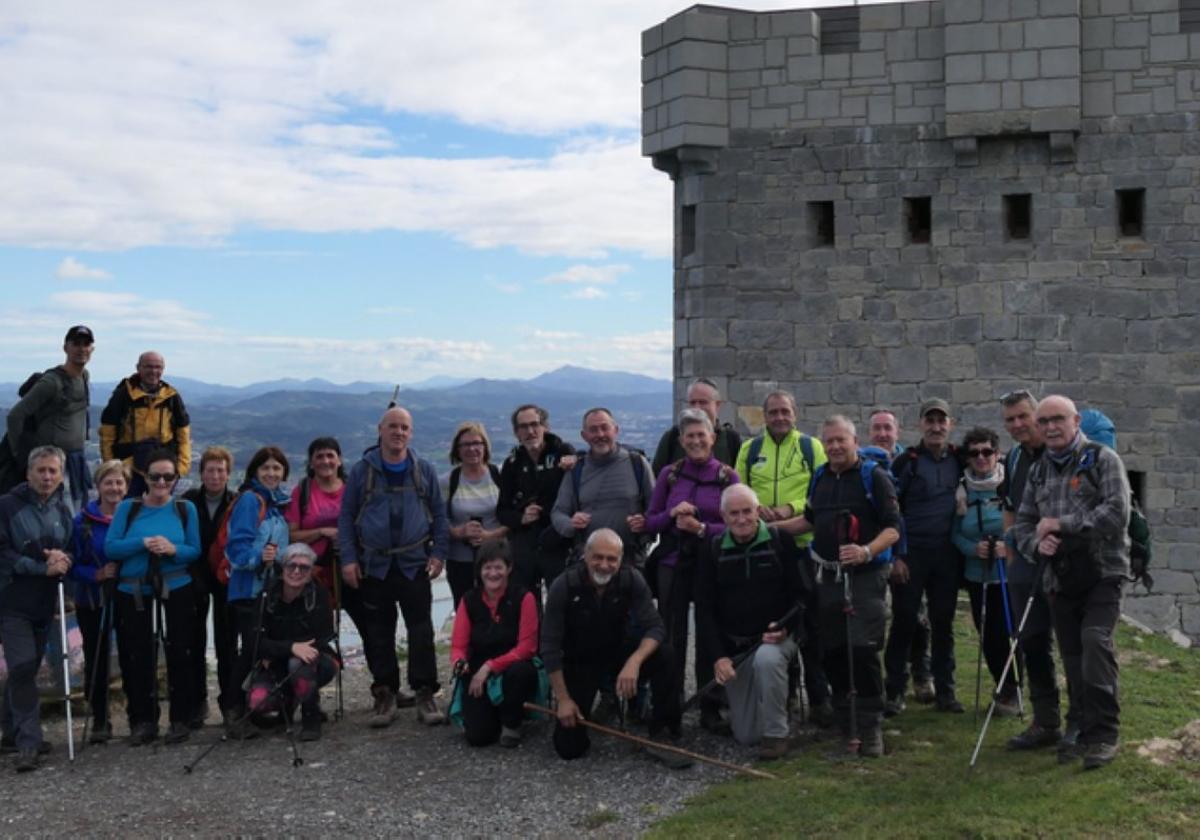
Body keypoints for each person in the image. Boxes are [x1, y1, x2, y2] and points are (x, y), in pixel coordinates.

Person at [1012, 395, 1131, 771]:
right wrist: (1037, 542)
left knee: (1095, 643)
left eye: (1058, 419)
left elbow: (1116, 513)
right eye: (1044, 421)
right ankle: (1077, 727)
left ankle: (1104, 733)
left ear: (1075, 420)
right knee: (1073, 656)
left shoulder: (1102, 459)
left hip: (1104, 572)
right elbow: (1024, 523)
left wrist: (1063, 526)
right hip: (1059, 578)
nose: (1050, 427)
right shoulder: (1039, 470)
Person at [781, 416, 901, 757]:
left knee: (862, 650)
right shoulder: (820, 476)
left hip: (866, 577)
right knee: (832, 649)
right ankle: (846, 723)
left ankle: (870, 726)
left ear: (854, 440)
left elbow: (894, 528)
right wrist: (771, 529)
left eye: (840, 440)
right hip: (827, 576)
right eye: (829, 441)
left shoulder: (873, 478)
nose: (834, 447)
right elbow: (809, 519)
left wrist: (866, 551)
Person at [338, 407, 449, 728]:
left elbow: (439, 516)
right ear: (380, 430)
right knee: (379, 632)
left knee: (421, 629)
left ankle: (425, 691)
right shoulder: (362, 471)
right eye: (393, 427)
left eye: (404, 428)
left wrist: (438, 553)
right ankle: (385, 692)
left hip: (414, 563)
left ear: (410, 433)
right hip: (375, 564)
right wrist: (348, 558)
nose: (398, 432)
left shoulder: (423, 469)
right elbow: (346, 517)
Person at [541, 528, 687, 767]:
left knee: (665, 654)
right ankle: (585, 714)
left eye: (611, 559)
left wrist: (635, 662)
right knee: (568, 749)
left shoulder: (632, 579)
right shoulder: (564, 585)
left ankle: (664, 727)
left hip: (619, 652)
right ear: (585, 556)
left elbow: (656, 628)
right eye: (598, 557)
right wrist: (563, 699)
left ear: (620, 560)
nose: (604, 565)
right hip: (581, 661)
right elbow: (549, 646)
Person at [734, 390, 831, 726]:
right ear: (764, 416)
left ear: (795, 414)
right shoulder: (750, 450)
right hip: (766, 548)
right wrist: (757, 511)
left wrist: (790, 509)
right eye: (773, 412)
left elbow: (821, 491)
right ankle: (787, 695)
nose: (778, 417)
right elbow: (738, 493)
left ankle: (819, 696)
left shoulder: (810, 447)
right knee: (778, 621)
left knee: (812, 624)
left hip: (804, 547)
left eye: (784, 411)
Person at [696, 485, 809, 759]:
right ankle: (770, 709)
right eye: (734, 513)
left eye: (747, 511)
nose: (741, 519)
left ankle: (776, 734)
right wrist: (719, 657)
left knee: (768, 661)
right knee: (746, 736)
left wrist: (785, 628)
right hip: (737, 648)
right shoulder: (712, 549)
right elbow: (704, 610)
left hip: (774, 640)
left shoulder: (780, 540)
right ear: (723, 516)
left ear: (758, 512)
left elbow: (803, 596)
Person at [644, 408, 739, 734]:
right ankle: (669, 708)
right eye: (690, 436)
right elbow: (650, 521)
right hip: (673, 564)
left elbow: (737, 527)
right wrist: (673, 514)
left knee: (710, 636)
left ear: (713, 438)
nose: (697, 440)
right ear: (682, 441)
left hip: (711, 565)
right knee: (672, 637)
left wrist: (700, 528)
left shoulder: (728, 477)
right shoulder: (669, 475)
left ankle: (710, 706)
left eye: (702, 435)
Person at [105, 449, 201, 745]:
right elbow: (111, 548)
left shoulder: (186, 509)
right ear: (144, 477)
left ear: (175, 479)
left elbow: (194, 550)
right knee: (136, 655)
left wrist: (172, 549)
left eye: (168, 476)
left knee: (179, 653)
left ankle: (180, 719)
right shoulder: (128, 508)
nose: (162, 482)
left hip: (176, 586)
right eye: (155, 476)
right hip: (134, 589)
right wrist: (142, 543)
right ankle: (142, 721)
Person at [884, 398, 965, 715]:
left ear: (950, 425)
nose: (936, 427)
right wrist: (896, 556)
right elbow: (891, 511)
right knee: (904, 621)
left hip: (946, 554)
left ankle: (946, 691)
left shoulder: (959, 459)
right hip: (911, 553)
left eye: (941, 421)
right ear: (920, 425)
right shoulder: (907, 462)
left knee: (943, 622)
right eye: (929, 421)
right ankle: (894, 691)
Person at [0, 446, 74, 772]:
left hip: (44, 605)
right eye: (41, 470)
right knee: (22, 666)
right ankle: (28, 743)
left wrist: (63, 560)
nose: (47, 477)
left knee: (24, 671)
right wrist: (39, 567)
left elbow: (67, 548)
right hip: (12, 602)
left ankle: (12, 733)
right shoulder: (6, 507)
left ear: (61, 475)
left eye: (53, 471)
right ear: (28, 473)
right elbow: (4, 555)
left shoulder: (62, 509)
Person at [999, 389, 1064, 753]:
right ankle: (1046, 721)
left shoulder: (1063, 454)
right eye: (1011, 419)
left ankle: (1084, 724)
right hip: (1025, 563)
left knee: (1074, 644)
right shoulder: (1014, 458)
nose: (1019, 425)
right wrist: (1012, 557)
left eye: (1024, 416)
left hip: (1064, 562)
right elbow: (1009, 505)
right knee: (1032, 641)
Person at [223, 446, 292, 738]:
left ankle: (253, 709)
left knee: (257, 650)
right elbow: (235, 548)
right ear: (255, 471)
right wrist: (258, 558)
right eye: (266, 468)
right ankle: (233, 711)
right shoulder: (251, 501)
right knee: (251, 650)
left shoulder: (275, 504)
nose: (272, 473)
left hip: (268, 589)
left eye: (277, 468)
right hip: (248, 590)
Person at [951, 426, 1019, 715]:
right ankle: (1002, 688)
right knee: (989, 636)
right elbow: (955, 532)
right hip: (978, 576)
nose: (981, 458)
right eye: (975, 453)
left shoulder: (1010, 485)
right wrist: (972, 549)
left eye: (987, 452)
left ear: (997, 453)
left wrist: (1008, 545)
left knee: (1012, 634)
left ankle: (1015, 689)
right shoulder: (961, 491)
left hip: (1008, 575)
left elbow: (1022, 523)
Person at [449, 538, 540, 748]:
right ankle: (491, 714)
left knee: (521, 673)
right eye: (487, 568)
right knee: (478, 737)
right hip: (478, 670)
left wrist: (490, 667)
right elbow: (458, 646)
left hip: (513, 666)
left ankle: (512, 721)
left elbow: (528, 648)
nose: (493, 574)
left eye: (498, 567)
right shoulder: (469, 600)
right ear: (479, 570)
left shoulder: (524, 598)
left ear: (509, 568)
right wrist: (459, 662)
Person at [870, 408, 933, 703]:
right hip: (873, 555)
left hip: (906, 553)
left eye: (887, 428)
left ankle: (922, 673)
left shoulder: (906, 463)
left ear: (897, 432)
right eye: (877, 429)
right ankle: (891, 682)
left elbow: (903, 515)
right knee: (879, 620)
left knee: (914, 617)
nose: (883, 434)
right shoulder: (864, 463)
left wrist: (900, 555)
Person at [245, 543, 339, 742]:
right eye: (291, 565)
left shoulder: (319, 593)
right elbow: (254, 641)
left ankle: (311, 718)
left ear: (311, 571)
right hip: (277, 663)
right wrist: (290, 648)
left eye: (304, 567)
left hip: (316, 660)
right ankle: (288, 703)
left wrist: (277, 649)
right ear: (283, 567)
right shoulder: (266, 595)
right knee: (258, 701)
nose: (296, 571)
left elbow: (322, 637)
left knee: (298, 662)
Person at [1, 325, 94, 510]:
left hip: (75, 460)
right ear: (65, 347)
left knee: (75, 511)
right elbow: (15, 415)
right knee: (61, 511)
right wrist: (19, 453)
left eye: (86, 344)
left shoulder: (84, 375)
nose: (81, 349)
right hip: (53, 462)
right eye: (76, 343)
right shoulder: (52, 382)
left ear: (92, 349)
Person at [68, 459, 127, 744]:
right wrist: (96, 573)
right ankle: (100, 719)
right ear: (98, 486)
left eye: (119, 482)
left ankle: (140, 716)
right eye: (109, 482)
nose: (114, 488)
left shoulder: (133, 517)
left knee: (133, 655)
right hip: (93, 599)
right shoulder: (83, 523)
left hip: (128, 595)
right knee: (97, 658)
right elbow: (71, 565)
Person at [550, 408, 655, 567]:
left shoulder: (637, 464)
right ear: (584, 436)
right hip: (588, 562)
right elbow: (558, 513)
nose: (600, 435)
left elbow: (656, 507)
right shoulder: (576, 470)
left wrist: (645, 521)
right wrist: (571, 524)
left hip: (631, 559)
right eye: (593, 430)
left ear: (616, 430)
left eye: (605, 428)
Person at [181, 445, 237, 728]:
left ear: (228, 474)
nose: (215, 475)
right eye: (210, 470)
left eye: (220, 470)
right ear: (201, 473)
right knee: (194, 642)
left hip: (226, 580)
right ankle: (196, 702)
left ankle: (229, 703)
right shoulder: (188, 502)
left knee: (227, 643)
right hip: (194, 579)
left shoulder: (236, 502)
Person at [496, 404, 576, 599]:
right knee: (525, 603)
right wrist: (521, 518)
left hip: (558, 542)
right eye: (523, 427)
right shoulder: (512, 463)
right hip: (525, 545)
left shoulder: (563, 452)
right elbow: (502, 511)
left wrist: (574, 462)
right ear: (516, 433)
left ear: (545, 427)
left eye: (534, 424)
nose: (530, 431)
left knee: (562, 601)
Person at [99, 351, 192, 497]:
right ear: (138, 368)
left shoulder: (171, 397)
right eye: (148, 366)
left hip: (163, 469)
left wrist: (180, 468)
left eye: (158, 367)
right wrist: (112, 467)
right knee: (128, 510)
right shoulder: (123, 395)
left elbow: (183, 435)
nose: (154, 371)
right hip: (129, 468)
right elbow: (107, 433)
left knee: (159, 510)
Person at [441, 422, 507, 609]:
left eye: (477, 443)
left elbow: (514, 517)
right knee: (466, 611)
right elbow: (438, 520)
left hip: (497, 559)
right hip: (460, 562)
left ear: (485, 447)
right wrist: (458, 532)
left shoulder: (499, 476)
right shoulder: (447, 482)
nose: (472, 449)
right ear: (457, 450)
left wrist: (490, 536)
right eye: (465, 445)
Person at [651, 378, 743, 474]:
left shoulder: (731, 440)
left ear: (717, 405)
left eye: (703, 402)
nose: (697, 408)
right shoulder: (672, 437)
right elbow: (655, 478)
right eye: (692, 402)